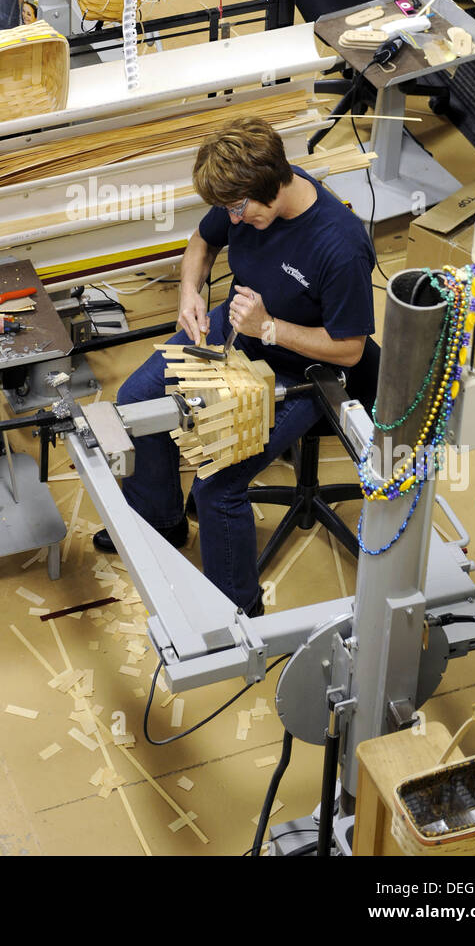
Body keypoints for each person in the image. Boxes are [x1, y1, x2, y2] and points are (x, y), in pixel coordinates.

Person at [93, 115, 376, 616]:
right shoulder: (242, 201)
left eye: (240, 209)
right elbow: (202, 243)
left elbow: (350, 349)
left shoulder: (339, 242)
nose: (235, 220)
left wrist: (272, 328)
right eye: (229, 210)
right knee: (137, 401)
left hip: (302, 369)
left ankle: (237, 612)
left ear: (273, 184)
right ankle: (161, 521)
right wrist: (189, 295)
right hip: (237, 327)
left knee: (216, 483)